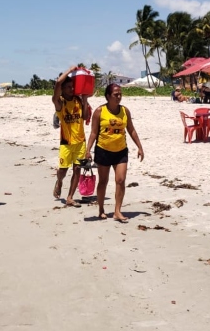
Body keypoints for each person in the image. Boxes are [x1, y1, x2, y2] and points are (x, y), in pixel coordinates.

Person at [85, 83, 145, 223]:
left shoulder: (125, 111)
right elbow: (94, 133)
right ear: (108, 96)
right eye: (115, 95)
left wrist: (140, 147)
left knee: (120, 180)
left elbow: (131, 130)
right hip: (103, 150)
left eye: (120, 94)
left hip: (121, 151)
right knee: (103, 181)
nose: (119, 97)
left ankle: (117, 211)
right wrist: (88, 150)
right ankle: (101, 209)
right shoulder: (100, 111)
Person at [52, 66, 87, 207]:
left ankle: (70, 197)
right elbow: (57, 83)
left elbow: (84, 117)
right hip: (66, 142)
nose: (71, 90)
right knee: (63, 171)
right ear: (63, 89)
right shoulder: (59, 102)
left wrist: (85, 101)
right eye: (68, 87)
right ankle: (59, 181)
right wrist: (71, 69)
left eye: (72, 87)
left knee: (77, 169)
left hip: (80, 141)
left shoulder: (78, 100)